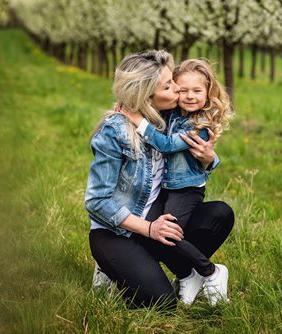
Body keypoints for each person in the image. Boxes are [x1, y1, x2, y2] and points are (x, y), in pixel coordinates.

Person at [85, 50, 234, 309]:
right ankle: (113, 266)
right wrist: (150, 228)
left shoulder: (171, 117)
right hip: (119, 230)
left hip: (156, 216)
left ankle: (185, 273)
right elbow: (97, 202)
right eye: (169, 85)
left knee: (220, 214)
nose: (178, 89)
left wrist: (209, 159)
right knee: (161, 302)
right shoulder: (116, 130)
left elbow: (184, 157)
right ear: (147, 95)